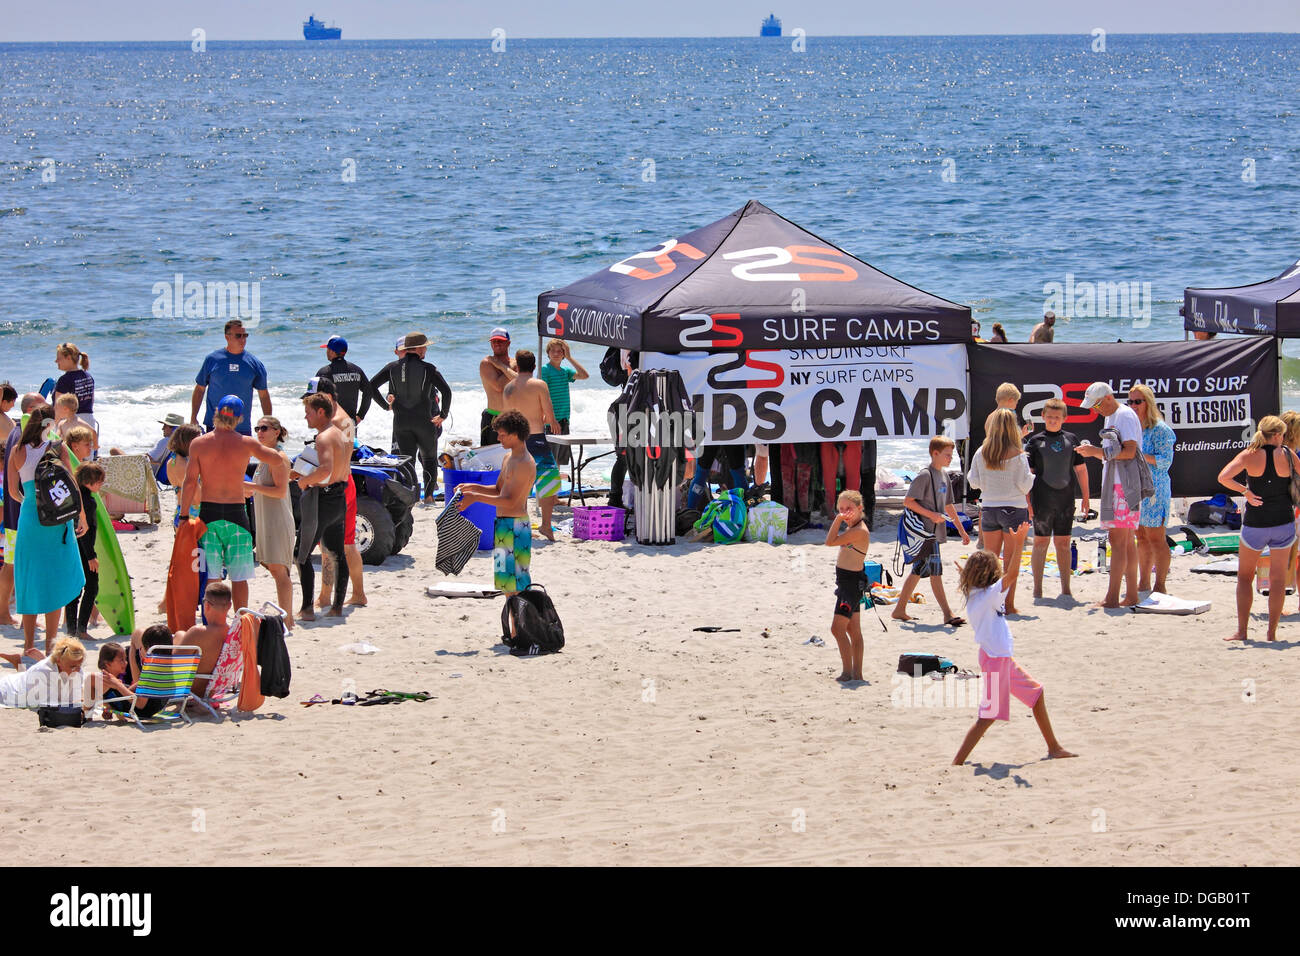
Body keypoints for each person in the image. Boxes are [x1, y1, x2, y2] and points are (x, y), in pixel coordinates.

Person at [950, 550, 1076, 766]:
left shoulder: (973, 592)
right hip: (996, 660)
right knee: (988, 716)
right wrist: (1017, 544)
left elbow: (986, 580)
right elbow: (1013, 574)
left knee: (1036, 693)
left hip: (998, 659)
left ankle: (1054, 747)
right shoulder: (989, 595)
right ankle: (957, 762)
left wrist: (965, 572)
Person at [180, 395, 281, 613]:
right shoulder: (247, 443)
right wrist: (271, 441)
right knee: (239, 576)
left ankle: (213, 621)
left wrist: (183, 515)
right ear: (239, 418)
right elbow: (277, 459)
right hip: (237, 516)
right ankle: (240, 620)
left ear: (216, 414)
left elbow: (189, 482)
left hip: (209, 516)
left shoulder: (199, 444)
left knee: (213, 578)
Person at [6, 405, 86, 653]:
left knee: (30, 581)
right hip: (57, 520)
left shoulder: (17, 451)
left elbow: (12, 492)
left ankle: (29, 645)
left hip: (30, 520)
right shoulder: (57, 447)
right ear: (49, 425)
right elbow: (72, 484)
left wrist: (30, 502)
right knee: (57, 580)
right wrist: (80, 515)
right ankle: (51, 644)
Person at [1218, 416, 1295, 642]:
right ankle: (1271, 633)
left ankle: (1242, 631)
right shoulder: (1288, 455)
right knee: (1278, 579)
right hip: (1283, 521)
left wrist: (1246, 492)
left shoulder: (1250, 454)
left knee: (1244, 577)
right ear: (1279, 434)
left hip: (1256, 524)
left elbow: (1223, 477)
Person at [1076, 382, 1148, 608]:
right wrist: (1095, 453)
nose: (1095, 410)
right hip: (1119, 483)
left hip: (1123, 485)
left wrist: (1096, 452)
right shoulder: (1113, 416)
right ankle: (1131, 595)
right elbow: (1116, 453)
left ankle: (1113, 598)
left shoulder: (1123, 415)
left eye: (1097, 405)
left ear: (1108, 398)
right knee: (1126, 542)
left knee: (1118, 541)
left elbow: (1129, 452)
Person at [892, 436, 971, 626]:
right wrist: (931, 514)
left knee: (919, 570)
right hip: (924, 533)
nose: (950, 458)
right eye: (947, 455)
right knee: (935, 572)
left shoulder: (944, 476)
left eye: (951, 455)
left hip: (934, 533)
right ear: (934, 454)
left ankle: (899, 609)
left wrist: (961, 530)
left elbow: (949, 505)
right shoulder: (925, 475)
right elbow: (908, 502)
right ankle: (947, 613)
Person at [455, 410, 535, 597]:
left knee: (518, 585)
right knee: (506, 584)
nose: (499, 438)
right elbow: (499, 490)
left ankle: (520, 626)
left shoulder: (523, 462)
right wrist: (472, 487)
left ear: (515, 435)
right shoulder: (508, 457)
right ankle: (513, 626)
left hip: (516, 526)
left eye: (502, 434)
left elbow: (510, 501)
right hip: (502, 525)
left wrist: (475, 497)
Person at [301, 379, 365, 609]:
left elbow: (327, 463)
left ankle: (326, 596)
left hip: (335, 485)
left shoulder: (332, 424)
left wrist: (306, 477)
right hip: (346, 480)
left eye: (313, 397)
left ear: (325, 397)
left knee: (330, 546)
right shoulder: (345, 416)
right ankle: (357, 593)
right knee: (346, 544)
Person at [369, 332, 451, 503]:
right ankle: (428, 497)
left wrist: (386, 406)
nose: (426, 350)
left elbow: (370, 386)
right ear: (419, 349)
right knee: (428, 458)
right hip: (424, 421)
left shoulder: (392, 367)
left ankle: (410, 497)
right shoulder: (428, 368)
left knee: (407, 460)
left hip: (401, 422)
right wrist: (443, 415)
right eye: (425, 347)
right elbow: (446, 391)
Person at [967, 409, 1034, 614]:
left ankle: (989, 603)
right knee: (1011, 560)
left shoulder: (982, 451)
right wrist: (1032, 476)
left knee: (990, 561)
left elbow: (974, 481)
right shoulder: (1018, 453)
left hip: (989, 508)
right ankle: (1009, 605)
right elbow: (1025, 486)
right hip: (1014, 508)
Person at [294, 393, 351, 620]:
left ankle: (307, 609)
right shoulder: (342, 433)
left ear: (320, 412)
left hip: (322, 500)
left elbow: (325, 470)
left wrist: (305, 481)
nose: (305, 416)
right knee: (337, 553)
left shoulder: (323, 437)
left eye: (308, 412)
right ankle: (337, 607)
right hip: (339, 498)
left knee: (301, 554)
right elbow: (340, 468)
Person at [1026, 398, 1090, 599]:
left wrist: (1086, 497)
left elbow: (1081, 469)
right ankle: (1038, 589)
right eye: (1050, 417)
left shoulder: (1071, 439)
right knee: (1040, 542)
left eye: (1057, 417)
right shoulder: (1035, 442)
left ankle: (1066, 589)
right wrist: (1027, 503)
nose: (1053, 420)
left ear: (1064, 418)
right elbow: (1028, 474)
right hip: (1042, 499)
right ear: (1043, 416)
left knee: (1063, 543)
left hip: (1065, 499)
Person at [502, 349, 562, 541]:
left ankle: (521, 527)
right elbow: (549, 415)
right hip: (536, 437)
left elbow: (507, 418)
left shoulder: (508, 388)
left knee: (520, 485)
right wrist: (550, 420)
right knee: (547, 481)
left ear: (516, 366)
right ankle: (546, 526)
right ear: (534, 366)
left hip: (517, 440)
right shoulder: (539, 385)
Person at [245, 416, 295, 629]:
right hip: (267, 519)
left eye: (264, 428)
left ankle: (288, 619)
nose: (260, 432)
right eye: (257, 428)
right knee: (275, 569)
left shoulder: (278, 457)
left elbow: (280, 491)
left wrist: (253, 488)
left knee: (279, 570)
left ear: (276, 431)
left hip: (277, 520)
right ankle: (288, 617)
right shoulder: (265, 457)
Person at [0, 393, 44, 628]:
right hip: (22, 513)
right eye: (43, 409)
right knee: (19, 564)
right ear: (32, 409)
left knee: (12, 563)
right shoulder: (26, 436)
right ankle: (11, 613)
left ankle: (8, 613)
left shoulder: (16, 433)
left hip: (13, 512)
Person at [1130, 384, 1176, 594]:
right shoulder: (1132, 428)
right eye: (1130, 402)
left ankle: (1160, 584)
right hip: (1135, 487)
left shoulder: (1161, 429)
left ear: (1148, 403)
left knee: (1156, 537)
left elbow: (1165, 462)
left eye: (1137, 401)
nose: (1133, 406)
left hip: (1155, 489)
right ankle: (1144, 581)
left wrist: (1137, 453)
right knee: (1140, 536)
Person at [191, 319, 271, 436]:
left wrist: (267, 422)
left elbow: (263, 395)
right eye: (238, 336)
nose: (243, 339)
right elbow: (200, 389)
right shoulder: (212, 359)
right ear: (227, 337)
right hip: (214, 425)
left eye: (245, 335)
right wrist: (193, 417)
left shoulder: (255, 363)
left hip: (242, 427)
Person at [824, 490, 871, 683]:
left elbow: (829, 542)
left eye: (848, 509)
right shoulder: (854, 526)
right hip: (848, 583)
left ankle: (847, 672)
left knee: (837, 629)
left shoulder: (859, 530)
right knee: (853, 630)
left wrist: (836, 520)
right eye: (841, 509)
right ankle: (857, 674)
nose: (844, 513)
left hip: (850, 586)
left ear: (860, 509)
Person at [64, 462, 105, 640]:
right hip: (84, 551)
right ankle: (81, 630)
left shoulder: (74, 497)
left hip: (71, 550)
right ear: (90, 481)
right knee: (91, 586)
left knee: (74, 589)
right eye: (100, 481)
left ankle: (72, 630)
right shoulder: (87, 502)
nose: (101, 485)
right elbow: (84, 532)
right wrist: (91, 556)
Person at [176, 581, 234, 697]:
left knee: (139, 635)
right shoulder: (233, 633)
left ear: (206, 605)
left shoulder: (197, 632)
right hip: (214, 687)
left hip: (189, 689)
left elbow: (172, 667)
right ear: (229, 605)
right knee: (180, 634)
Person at [315, 336, 386, 426]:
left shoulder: (324, 372)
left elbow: (313, 398)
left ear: (332, 351)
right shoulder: (357, 370)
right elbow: (369, 392)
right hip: (350, 423)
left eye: (328, 349)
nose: (326, 352)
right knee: (349, 440)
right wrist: (360, 415)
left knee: (331, 440)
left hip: (331, 424)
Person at [0, 636, 86, 709]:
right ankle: (19, 664)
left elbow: (72, 699)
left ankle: (19, 664)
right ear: (59, 661)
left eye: (80, 665)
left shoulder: (76, 669)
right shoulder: (43, 671)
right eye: (72, 667)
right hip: (7, 691)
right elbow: (50, 705)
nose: (78, 670)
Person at [540, 338, 588, 467]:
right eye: (553, 351)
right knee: (550, 457)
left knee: (559, 458)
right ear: (548, 353)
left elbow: (584, 375)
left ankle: (555, 484)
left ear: (564, 354)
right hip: (552, 419)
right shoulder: (545, 369)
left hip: (564, 418)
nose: (556, 354)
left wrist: (570, 357)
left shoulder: (565, 371)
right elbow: (543, 393)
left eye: (560, 351)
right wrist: (549, 417)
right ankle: (549, 484)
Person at [478, 327, 518, 447]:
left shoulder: (515, 362)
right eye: (494, 341)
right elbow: (499, 387)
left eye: (500, 341)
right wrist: (509, 368)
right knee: (491, 462)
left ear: (508, 343)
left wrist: (501, 366)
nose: (497, 344)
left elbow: (522, 381)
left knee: (514, 460)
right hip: (493, 418)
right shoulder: (486, 363)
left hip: (512, 417)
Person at [53, 343, 96, 437]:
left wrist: (51, 428)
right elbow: (91, 402)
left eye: (59, 358)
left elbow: (58, 409)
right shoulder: (88, 377)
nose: (56, 361)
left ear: (68, 358)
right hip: (89, 422)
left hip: (70, 425)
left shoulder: (64, 380)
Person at [820, 441, 863, 517]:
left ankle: (849, 511)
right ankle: (832, 511)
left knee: (851, 475)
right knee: (830, 475)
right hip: (846, 437)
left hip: (829, 435)